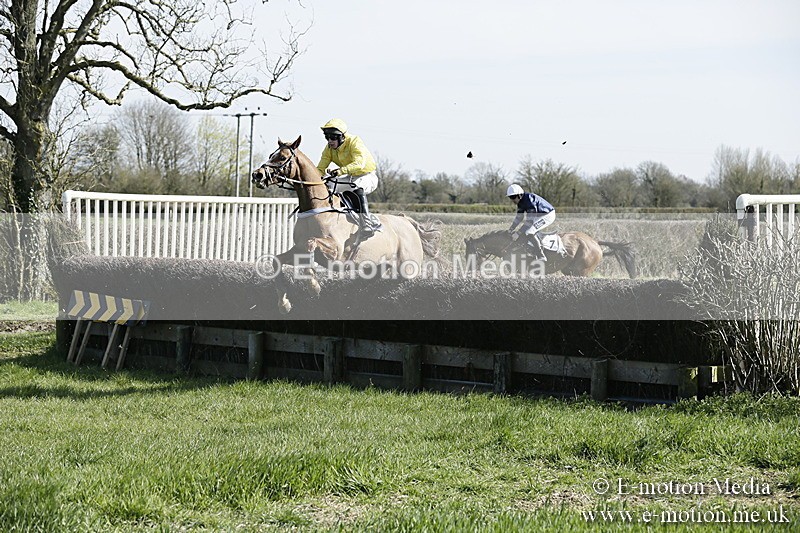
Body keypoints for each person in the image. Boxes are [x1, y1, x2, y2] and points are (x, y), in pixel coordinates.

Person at [317, 118, 382, 233]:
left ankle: (367, 222)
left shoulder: (354, 141)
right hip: (350, 176)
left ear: (341, 137)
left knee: (356, 187)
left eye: (333, 138)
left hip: (367, 176)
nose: (330, 141)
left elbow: (359, 164)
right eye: (327, 138)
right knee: (327, 187)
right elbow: (320, 168)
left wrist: (340, 171)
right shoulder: (329, 149)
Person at [506, 183, 557, 261]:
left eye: (513, 197)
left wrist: (518, 233)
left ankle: (541, 255)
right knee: (526, 231)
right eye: (510, 197)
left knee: (529, 231)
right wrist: (511, 229)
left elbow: (529, 221)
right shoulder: (520, 202)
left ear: (519, 195)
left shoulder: (529, 200)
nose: (512, 200)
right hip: (539, 215)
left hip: (548, 215)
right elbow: (519, 217)